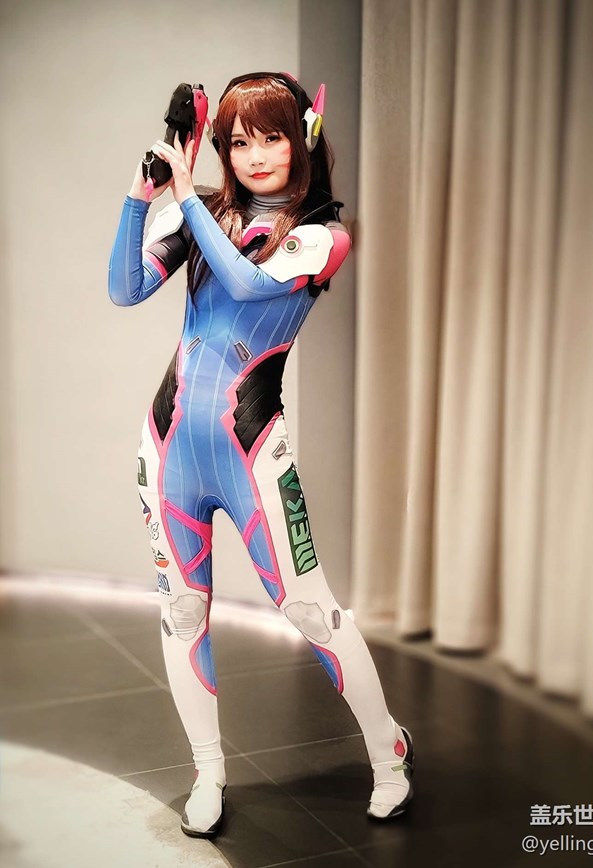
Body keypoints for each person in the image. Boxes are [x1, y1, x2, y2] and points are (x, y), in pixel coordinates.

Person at [108, 72, 414, 838]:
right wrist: (142, 197)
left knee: (310, 609)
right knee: (183, 613)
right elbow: (124, 288)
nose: (254, 155)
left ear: (303, 139)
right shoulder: (204, 213)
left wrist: (186, 195)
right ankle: (208, 771)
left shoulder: (323, 235)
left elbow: (246, 286)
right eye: (238, 141)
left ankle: (389, 755)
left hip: (252, 456)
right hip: (170, 450)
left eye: (272, 136)